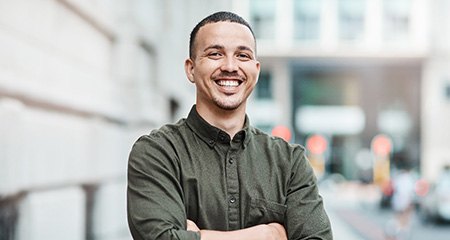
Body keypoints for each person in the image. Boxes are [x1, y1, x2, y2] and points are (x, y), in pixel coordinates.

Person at [127, 11, 333, 240]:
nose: (230, 66)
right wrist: (267, 235)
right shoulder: (158, 152)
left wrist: (199, 236)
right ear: (191, 69)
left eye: (242, 55)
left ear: (256, 69)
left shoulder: (290, 162)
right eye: (215, 53)